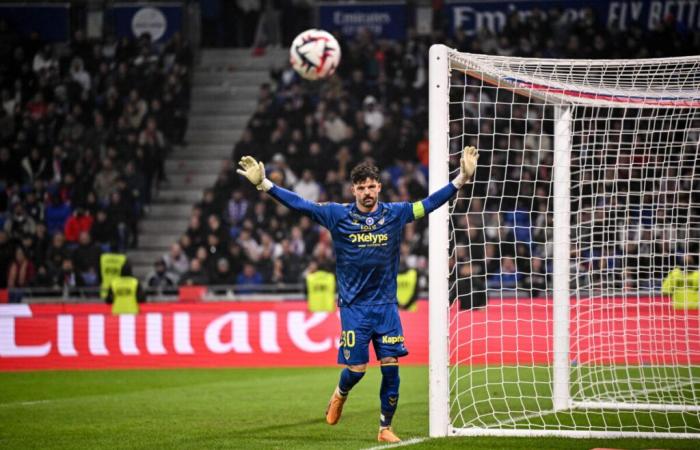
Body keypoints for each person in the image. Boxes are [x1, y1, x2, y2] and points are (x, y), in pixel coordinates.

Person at [236, 146, 479, 443]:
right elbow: (302, 205)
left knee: (391, 368)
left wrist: (460, 180)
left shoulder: (395, 214)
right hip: (354, 308)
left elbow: (428, 204)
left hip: (387, 307)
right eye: (361, 187)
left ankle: (384, 428)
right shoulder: (336, 215)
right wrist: (265, 185)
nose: (367, 192)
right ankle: (340, 392)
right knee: (358, 369)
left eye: (371, 186)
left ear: (379, 187)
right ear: (353, 190)